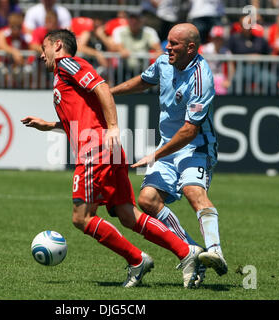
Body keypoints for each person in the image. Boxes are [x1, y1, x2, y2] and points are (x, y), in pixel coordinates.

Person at [21, 29, 204, 289]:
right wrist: (49, 125)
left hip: (95, 148)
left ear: (58, 45)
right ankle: (187, 252)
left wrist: (113, 126)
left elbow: (102, 86)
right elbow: (83, 116)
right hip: (105, 148)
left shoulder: (66, 63)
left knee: (81, 218)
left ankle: (137, 259)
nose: (41, 55)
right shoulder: (62, 78)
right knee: (128, 215)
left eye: (44, 48)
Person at [110, 23, 228, 279]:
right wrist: (109, 93)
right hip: (168, 146)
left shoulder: (201, 77)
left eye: (174, 44)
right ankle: (191, 250)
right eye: (168, 42)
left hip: (196, 147)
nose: (168, 47)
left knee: (193, 191)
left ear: (191, 48)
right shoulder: (164, 62)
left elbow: (189, 131)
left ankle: (216, 251)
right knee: (147, 200)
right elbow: (143, 81)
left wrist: (155, 155)